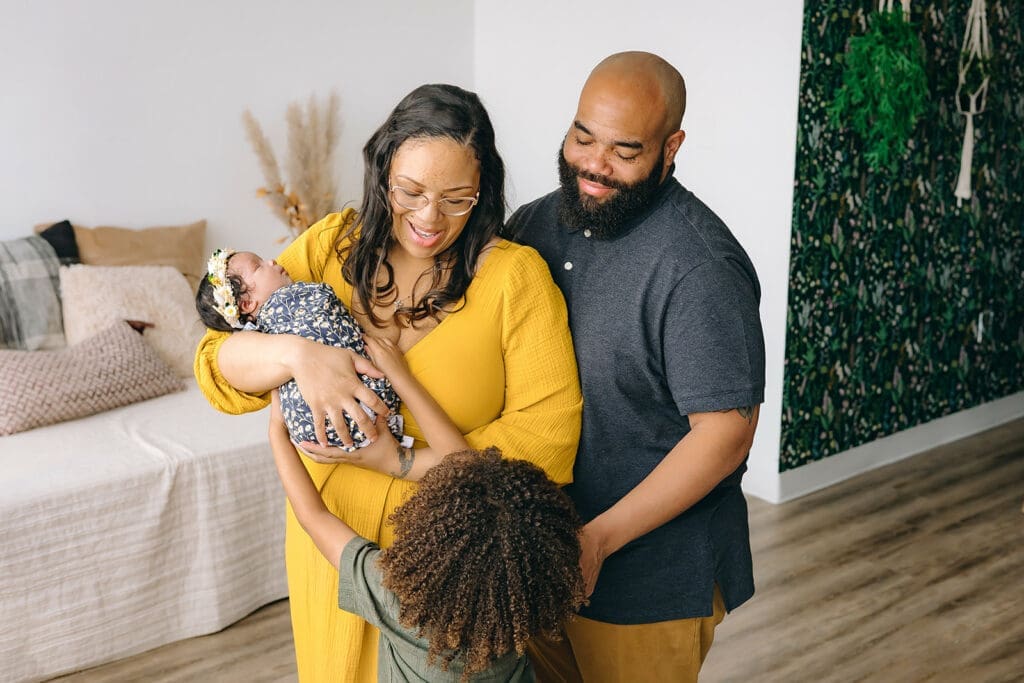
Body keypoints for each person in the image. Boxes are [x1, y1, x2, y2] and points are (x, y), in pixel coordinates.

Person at [193, 83, 582, 682]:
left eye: (457, 199)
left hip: (449, 573)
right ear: (382, 176)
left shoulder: (515, 281)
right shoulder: (333, 245)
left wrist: (396, 461)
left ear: (483, 192)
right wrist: (299, 355)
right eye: (412, 192)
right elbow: (217, 364)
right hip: (330, 550)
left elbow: (546, 447)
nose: (430, 219)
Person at [502, 51, 766, 682]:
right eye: (582, 136)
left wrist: (597, 540)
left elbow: (725, 435)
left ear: (671, 147)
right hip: (537, 562)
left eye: (624, 151)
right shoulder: (532, 224)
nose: (594, 164)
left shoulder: (699, 267)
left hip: (649, 582)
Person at [266, 332, 584, 681]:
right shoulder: (519, 616)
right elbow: (460, 464)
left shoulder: (398, 599)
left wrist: (276, 429)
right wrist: (401, 377)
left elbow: (314, 517)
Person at [195, 248, 404, 449]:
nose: (272, 261)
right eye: (258, 266)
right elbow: (213, 355)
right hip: (364, 402)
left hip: (312, 433)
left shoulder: (259, 334)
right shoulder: (270, 328)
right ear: (246, 305)